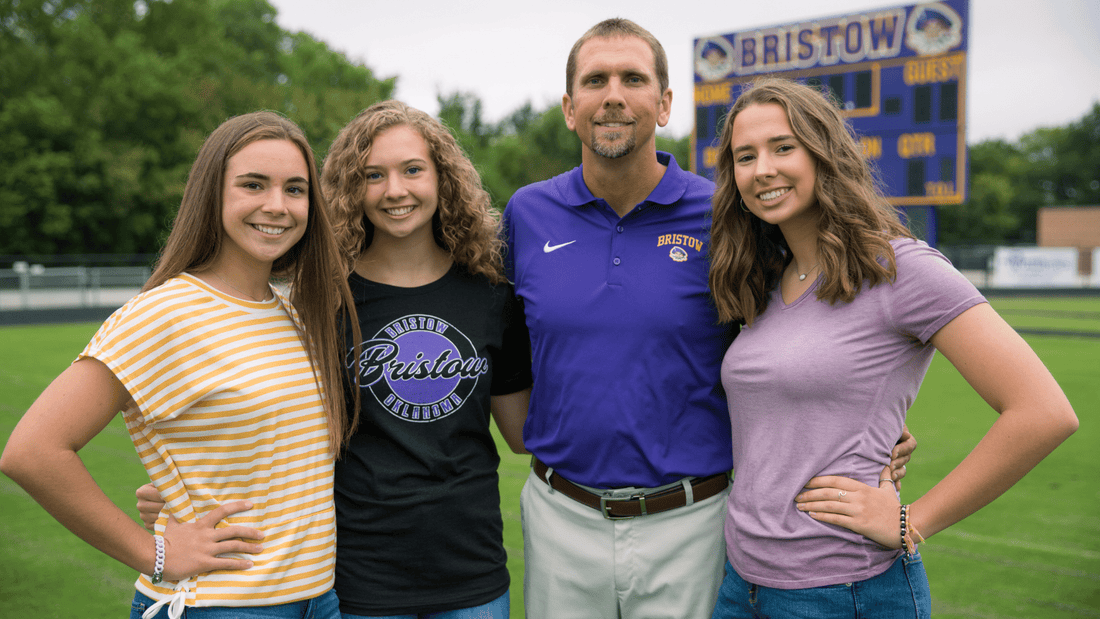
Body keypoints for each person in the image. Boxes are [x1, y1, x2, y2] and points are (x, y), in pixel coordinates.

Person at [502, 19, 916, 619]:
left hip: (693, 519)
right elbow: (501, 340)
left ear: (664, 102)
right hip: (559, 514)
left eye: (633, 78)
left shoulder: (729, 212)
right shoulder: (527, 212)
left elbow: (817, 322)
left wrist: (877, 426)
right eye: (595, 80)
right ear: (570, 108)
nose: (613, 94)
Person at [137, 101, 533, 618]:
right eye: (373, 175)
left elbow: (525, 435)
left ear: (444, 178)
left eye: (413, 169)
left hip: (473, 573)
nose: (395, 190)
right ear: (350, 188)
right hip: (358, 578)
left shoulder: (491, 296)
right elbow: (280, 420)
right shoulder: (319, 303)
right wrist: (183, 484)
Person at [706, 77, 1078, 618]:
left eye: (783, 147)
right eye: (745, 156)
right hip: (743, 585)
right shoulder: (762, 280)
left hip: (844, 593)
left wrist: (911, 520)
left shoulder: (902, 269)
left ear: (823, 153)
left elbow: (1044, 412)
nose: (762, 168)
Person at [1, 111, 358, 619]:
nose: (277, 206)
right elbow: (32, 452)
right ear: (212, 195)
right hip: (221, 606)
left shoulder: (295, 316)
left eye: (295, 189)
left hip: (317, 600)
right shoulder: (164, 315)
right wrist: (158, 554)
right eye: (253, 185)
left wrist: (173, 492)